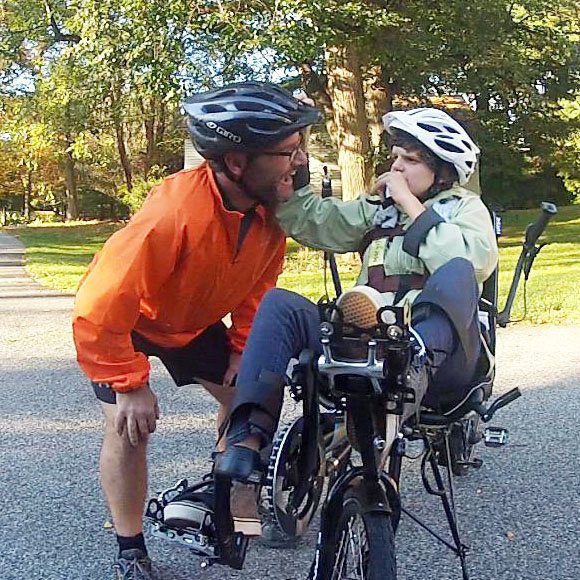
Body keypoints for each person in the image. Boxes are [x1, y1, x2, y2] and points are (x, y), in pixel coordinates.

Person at [72, 82, 322, 580]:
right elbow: (99, 307)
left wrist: (242, 349)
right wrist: (129, 385)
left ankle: (227, 499)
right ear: (236, 162)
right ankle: (130, 549)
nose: (299, 162)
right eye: (288, 152)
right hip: (131, 324)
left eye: (300, 149)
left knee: (246, 397)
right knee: (129, 429)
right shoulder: (173, 216)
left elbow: (260, 284)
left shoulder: (270, 207)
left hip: (193, 323)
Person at [213, 107, 498, 506]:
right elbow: (316, 222)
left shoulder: (465, 209)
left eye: (410, 161)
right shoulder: (379, 208)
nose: (396, 168)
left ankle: (410, 363)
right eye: (396, 157)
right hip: (369, 341)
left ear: (444, 172)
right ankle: (247, 439)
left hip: (440, 363)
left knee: (457, 275)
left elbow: (474, 263)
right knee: (280, 305)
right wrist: (294, 169)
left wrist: (413, 208)